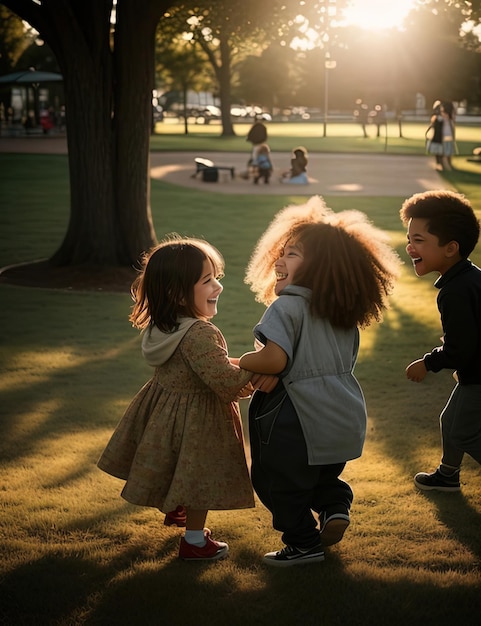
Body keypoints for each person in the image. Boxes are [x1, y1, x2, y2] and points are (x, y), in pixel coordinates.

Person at [239, 196, 401, 566]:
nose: (279, 261)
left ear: (319, 268)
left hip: (296, 418)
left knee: (277, 481)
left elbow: (274, 359)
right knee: (320, 476)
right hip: (342, 414)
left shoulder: (286, 307)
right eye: (281, 252)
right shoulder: (342, 314)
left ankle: (303, 543)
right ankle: (334, 506)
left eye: (292, 255)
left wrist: (238, 361)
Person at [97, 236, 275, 562]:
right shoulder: (201, 333)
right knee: (199, 477)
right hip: (199, 420)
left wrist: (238, 362)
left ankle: (176, 507)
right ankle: (194, 541)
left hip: (166, 412)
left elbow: (205, 366)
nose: (218, 286)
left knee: (177, 464)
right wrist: (261, 365)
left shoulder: (164, 326)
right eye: (207, 281)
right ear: (178, 293)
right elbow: (225, 382)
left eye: (215, 277)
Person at [400, 190, 481, 492]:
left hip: (478, 376)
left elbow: (460, 350)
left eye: (419, 240)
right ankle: (448, 474)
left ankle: (448, 474)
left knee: (465, 432)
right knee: (452, 421)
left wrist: (428, 362)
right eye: (409, 239)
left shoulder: (455, 292)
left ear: (450, 249)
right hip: (475, 372)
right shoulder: (469, 277)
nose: (409, 247)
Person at [425, 101, 444, 170]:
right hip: (437, 136)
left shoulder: (441, 118)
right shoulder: (436, 118)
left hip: (439, 136)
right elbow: (432, 125)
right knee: (438, 152)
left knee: (439, 152)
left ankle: (440, 164)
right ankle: (439, 164)